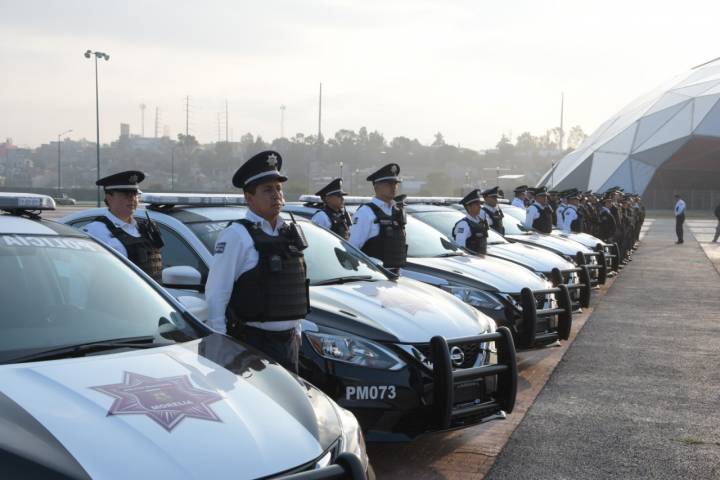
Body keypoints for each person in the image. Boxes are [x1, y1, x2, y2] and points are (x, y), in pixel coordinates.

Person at [205, 150, 308, 373]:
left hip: (289, 343)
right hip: (254, 342)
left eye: (279, 188)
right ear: (249, 198)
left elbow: (293, 286)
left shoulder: (288, 233)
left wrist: (297, 331)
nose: (276, 195)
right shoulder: (237, 235)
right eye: (267, 190)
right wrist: (220, 342)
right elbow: (216, 293)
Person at [83, 170, 164, 281]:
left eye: (135, 194)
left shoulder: (145, 229)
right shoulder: (95, 232)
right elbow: (86, 276)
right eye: (126, 194)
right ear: (109, 197)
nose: (132, 199)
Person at [349, 163, 407, 271]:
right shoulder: (365, 213)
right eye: (389, 184)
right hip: (374, 277)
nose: (393, 187)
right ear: (376, 187)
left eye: (395, 184)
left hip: (395, 275)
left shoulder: (397, 211)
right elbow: (353, 249)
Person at [452, 189, 489, 254]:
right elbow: (460, 248)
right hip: (471, 261)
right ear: (469, 207)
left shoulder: (480, 221)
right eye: (477, 205)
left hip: (481, 259)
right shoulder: (463, 225)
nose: (480, 207)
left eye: (480, 204)